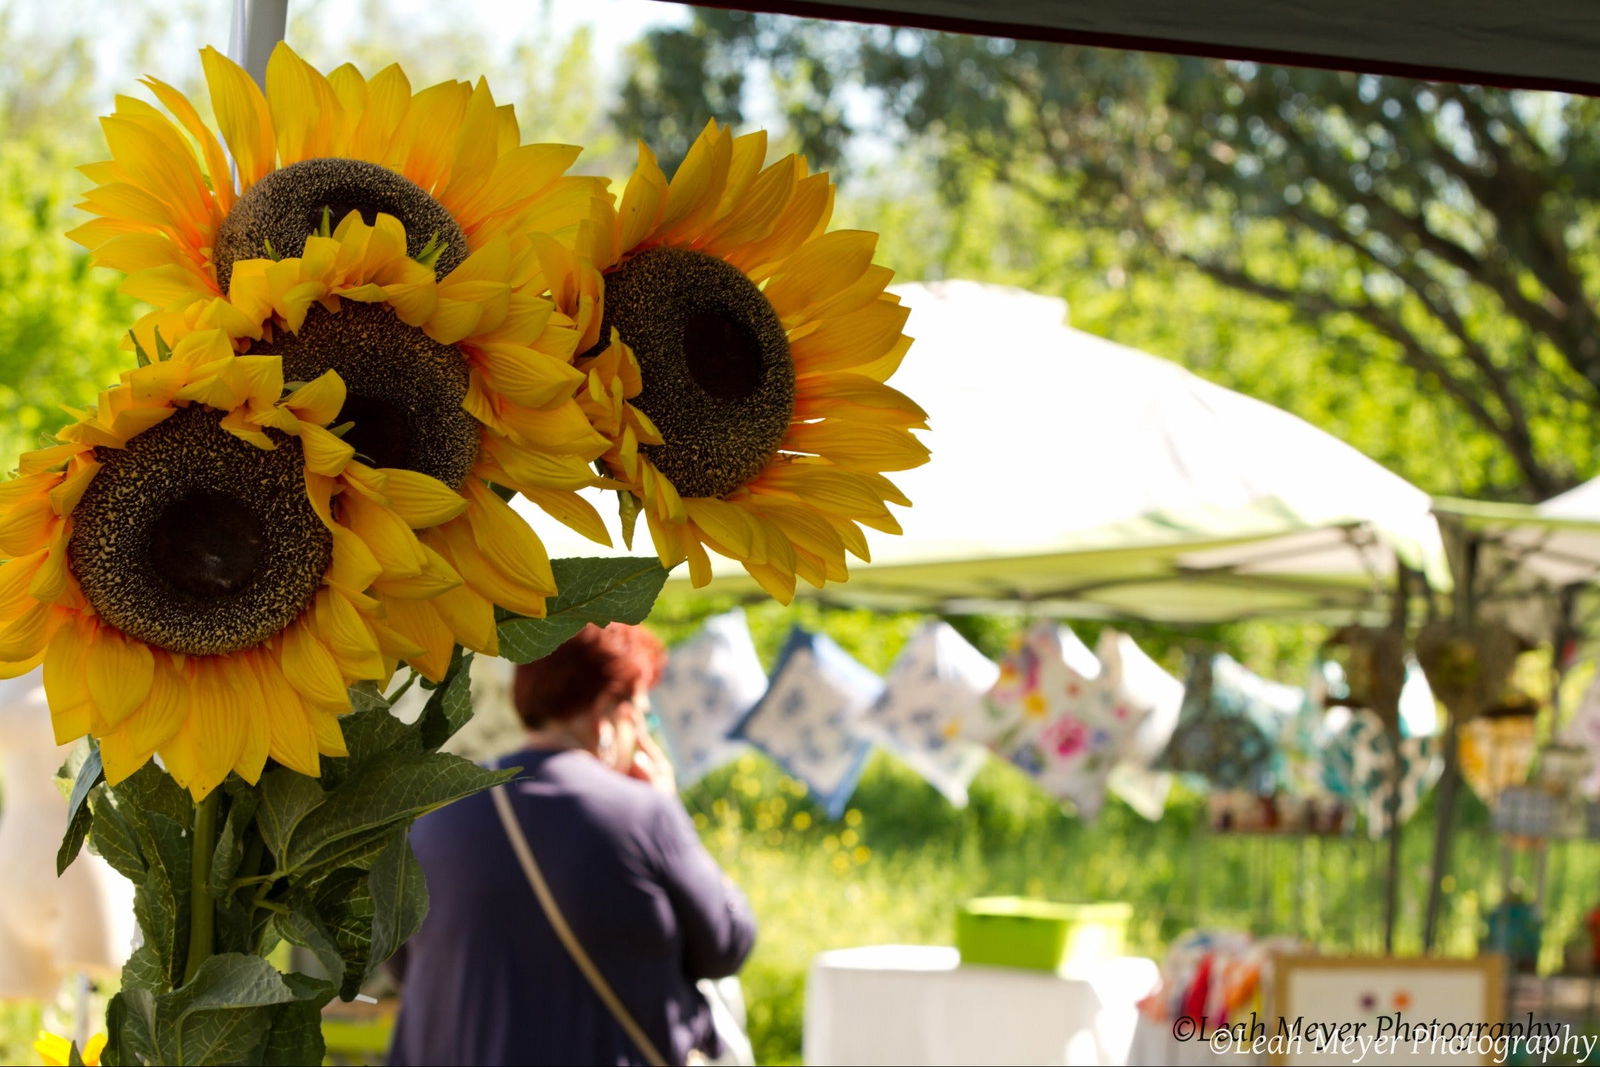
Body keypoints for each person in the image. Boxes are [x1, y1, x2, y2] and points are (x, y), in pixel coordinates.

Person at [387, 624, 757, 1066]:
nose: (643, 733)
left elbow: (402, 964)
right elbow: (727, 944)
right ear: (606, 711)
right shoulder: (642, 814)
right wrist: (667, 807)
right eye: (642, 714)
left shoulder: (435, 817)